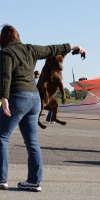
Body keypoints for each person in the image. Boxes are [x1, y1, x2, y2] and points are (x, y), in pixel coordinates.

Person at [0, 24, 86, 192]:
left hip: (17, 97)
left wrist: (4, 98)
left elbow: (5, 76)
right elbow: (51, 49)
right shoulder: (30, 49)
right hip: (34, 100)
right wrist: (73, 47)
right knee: (32, 142)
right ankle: (34, 181)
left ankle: (1, 180)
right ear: (17, 37)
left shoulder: (6, 53)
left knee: (2, 137)